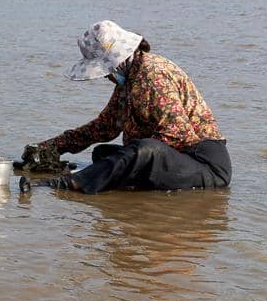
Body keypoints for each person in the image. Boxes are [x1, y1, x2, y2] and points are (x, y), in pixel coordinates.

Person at [24, 20, 230, 194]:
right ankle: (102, 179)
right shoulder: (130, 80)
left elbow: (177, 136)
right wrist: (52, 147)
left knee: (140, 151)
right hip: (177, 158)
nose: (106, 77)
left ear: (116, 62)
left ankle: (69, 184)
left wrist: (129, 158)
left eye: (106, 72)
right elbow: (104, 127)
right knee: (103, 154)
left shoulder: (152, 75)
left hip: (204, 165)